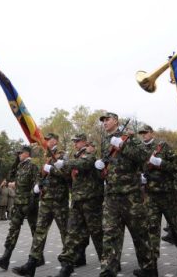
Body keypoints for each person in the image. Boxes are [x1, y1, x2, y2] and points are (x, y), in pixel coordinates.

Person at [94, 113, 155, 277]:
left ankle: (149, 269)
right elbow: (109, 167)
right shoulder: (105, 141)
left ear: (116, 121)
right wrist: (100, 169)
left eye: (107, 120)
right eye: (103, 121)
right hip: (112, 196)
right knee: (110, 235)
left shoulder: (130, 137)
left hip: (131, 196)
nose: (105, 123)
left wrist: (123, 145)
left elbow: (144, 157)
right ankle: (108, 271)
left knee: (140, 235)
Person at [12, 133, 69, 276]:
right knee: (39, 232)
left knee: (65, 232)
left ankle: (67, 265)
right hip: (46, 200)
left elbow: (67, 174)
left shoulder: (62, 155)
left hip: (58, 200)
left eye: (48, 140)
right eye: (45, 140)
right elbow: (43, 176)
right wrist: (39, 185)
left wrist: (52, 169)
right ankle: (31, 264)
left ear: (55, 140)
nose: (46, 142)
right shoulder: (47, 156)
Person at [138, 125, 177, 276]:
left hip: (168, 195)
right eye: (141, 133)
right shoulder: (140, 150)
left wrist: (161, 163)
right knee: (151, 230)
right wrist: (140, 177)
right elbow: (137, 168)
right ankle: (152, 267)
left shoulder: (163, 147)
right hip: (150, 196)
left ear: (152, 133)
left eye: (146, 133)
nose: (144, 136)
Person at [52, 133, 104, 277]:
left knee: (97, 233)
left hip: (90, 201)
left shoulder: (89, 155)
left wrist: (65, 163)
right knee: (71, 234)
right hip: (77, 201)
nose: (75, 144)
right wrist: (58, 167)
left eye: (78, 141)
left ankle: (107, 262)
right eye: (74, 141)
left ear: (84, 142)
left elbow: (84, 164)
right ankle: (66, 267)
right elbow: (68, 175)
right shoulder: (75, 158)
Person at [0, 145, 39, 271]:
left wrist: (32, 202)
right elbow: (10, 176)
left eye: (20, 153)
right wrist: (16, 161)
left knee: (36, 231)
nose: (19, 155)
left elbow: (38, 185)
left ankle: (38, 256)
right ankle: (5, 258)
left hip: (29, 204)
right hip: (18, 204)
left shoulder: (32, 166)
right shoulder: (19, 166)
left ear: (27, 153)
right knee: (13, 230)